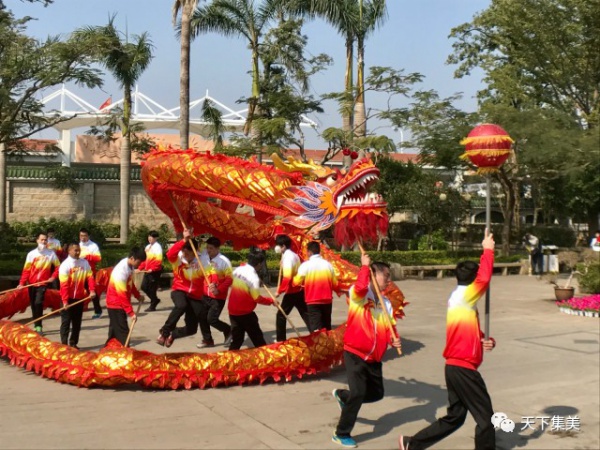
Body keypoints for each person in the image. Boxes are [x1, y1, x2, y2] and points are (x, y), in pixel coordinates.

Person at [398, 230, 497, 450]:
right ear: (473, 280)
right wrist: (488, 250)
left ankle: (412, 444)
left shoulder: (459, 297)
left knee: (456, 416)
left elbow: (467, 332)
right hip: (463, 369)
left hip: (454, 367)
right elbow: (485, 278)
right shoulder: (465, 296)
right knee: (486, 418)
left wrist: (484, 340)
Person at [332, 254, 401, 448]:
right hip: (355, 353)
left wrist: (393, 339)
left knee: (376, 394)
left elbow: (389, 326)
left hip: (375, 357)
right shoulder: (358, 293)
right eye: (386, 276)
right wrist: (363, 267)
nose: (389, 280)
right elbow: (361, 287)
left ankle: (343, 396)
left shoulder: (385, 303)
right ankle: (341, 433)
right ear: (373, 275)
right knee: (359, 392)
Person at [157, 229, 207, 348]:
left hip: (195, 295)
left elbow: (211, 274)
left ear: (195, 252)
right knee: (181, 305)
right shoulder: (178, 258)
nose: (185, 256)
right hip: (179, 290)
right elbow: (169, 254)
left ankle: (174, 335)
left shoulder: (203, 260)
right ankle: (165, 332)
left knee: (192, 328)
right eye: (184, 252)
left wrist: (213, 285)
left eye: (188, 254)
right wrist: (184, 240)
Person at [227, 249, 273, 350]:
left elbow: (231, 283)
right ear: (259, 264)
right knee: (258, 339)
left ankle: (229, 360)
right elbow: (256, 298)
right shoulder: (254, 278)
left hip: (233, 310)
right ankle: (265, 357)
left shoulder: (238, 269)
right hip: (245, 313)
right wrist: (271, 301)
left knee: (237, 339)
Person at [17, 232, 60, 334]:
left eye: (45, 240)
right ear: (37, 241)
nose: (44, 242)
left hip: (43, 284)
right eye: (42, 240)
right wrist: (22, 283)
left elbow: (58, 267)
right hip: (31, 284)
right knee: (33, 305)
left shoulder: (51, 254)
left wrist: (52, 277)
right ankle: (36, 324)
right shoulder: (31, 254)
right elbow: (26, 270)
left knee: (38, 303)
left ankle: (39, 326)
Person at [293, 241, 339, 333]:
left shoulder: (305, 265)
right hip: (327, 300)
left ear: (309, 252)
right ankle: (328, 345)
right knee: (327, 327)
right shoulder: (328, 265)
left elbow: (296, 282)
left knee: (316, 329)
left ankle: (319, 346)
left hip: (313, 300)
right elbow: (335, 284)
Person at [196, 237, 233, 348]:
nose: (208, 250)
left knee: (211, 319)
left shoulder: (224, 261)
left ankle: (228, 330)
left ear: (218, 248)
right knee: (202, 317)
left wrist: (219, 289)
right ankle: (208, 340)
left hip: (218, 296)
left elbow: (229, 279)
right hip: (205, 294)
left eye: (211, 248)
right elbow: (194, 249)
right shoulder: (204, 257)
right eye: (207, 247)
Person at [58, 242, 96, 349]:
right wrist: (65, 301)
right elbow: (64, 286)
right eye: (75, 250)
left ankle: (73, 343)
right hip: (67, 298)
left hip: (79, 298)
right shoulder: (65, 265)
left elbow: (90, 277)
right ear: (69, 251)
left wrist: (92, 290)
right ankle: (64, 344)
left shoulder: (84, 263)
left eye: (78, 250)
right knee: (66, 322)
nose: (77, 252)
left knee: (77, 322)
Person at [105, 247, 146, 346]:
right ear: (132, 258)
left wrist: (137, 296)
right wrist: (131, 313)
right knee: (123, 334)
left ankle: (108, 351)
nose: (139, 265)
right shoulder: (121, 271)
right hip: (116, 304)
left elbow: (130, 285)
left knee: (113, 333)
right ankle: (125, 353)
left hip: (118, 303)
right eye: (139, 262)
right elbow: (122, 295)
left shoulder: (129, 266)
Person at [274, 234, 310, 341]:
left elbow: (287, 277)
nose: (276, 247)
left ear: (283, 246)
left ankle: (280, 340)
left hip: (292, 291)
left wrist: (279, 291)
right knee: (305, 313)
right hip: (299, 289)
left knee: (281, 315)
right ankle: (315, 332)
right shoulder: (293, 255)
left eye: (278, 245)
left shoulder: (288, 258)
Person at [79, 228, 103, 318]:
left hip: (89, 273)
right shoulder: (78, 245)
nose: (83, 238)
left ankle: (98, 310)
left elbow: (98, 258)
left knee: (92, 292)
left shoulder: (93, 246)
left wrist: (87, 256)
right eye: (81, 235)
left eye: (85, 236)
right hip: (78, 273)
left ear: (88, 236)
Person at [138, 230, 164, 312]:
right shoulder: (147, 247)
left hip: (154, 271)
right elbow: (146, 260)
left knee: (152, 289)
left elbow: (158, 260)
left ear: (156, 238)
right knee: (143, 286)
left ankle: (153, 305)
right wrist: (140, 267)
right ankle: (155, 300)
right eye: (149, 236)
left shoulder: (157, 247)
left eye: (152, 236)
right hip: (147, 270)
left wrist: (153, 269)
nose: (150, 238)